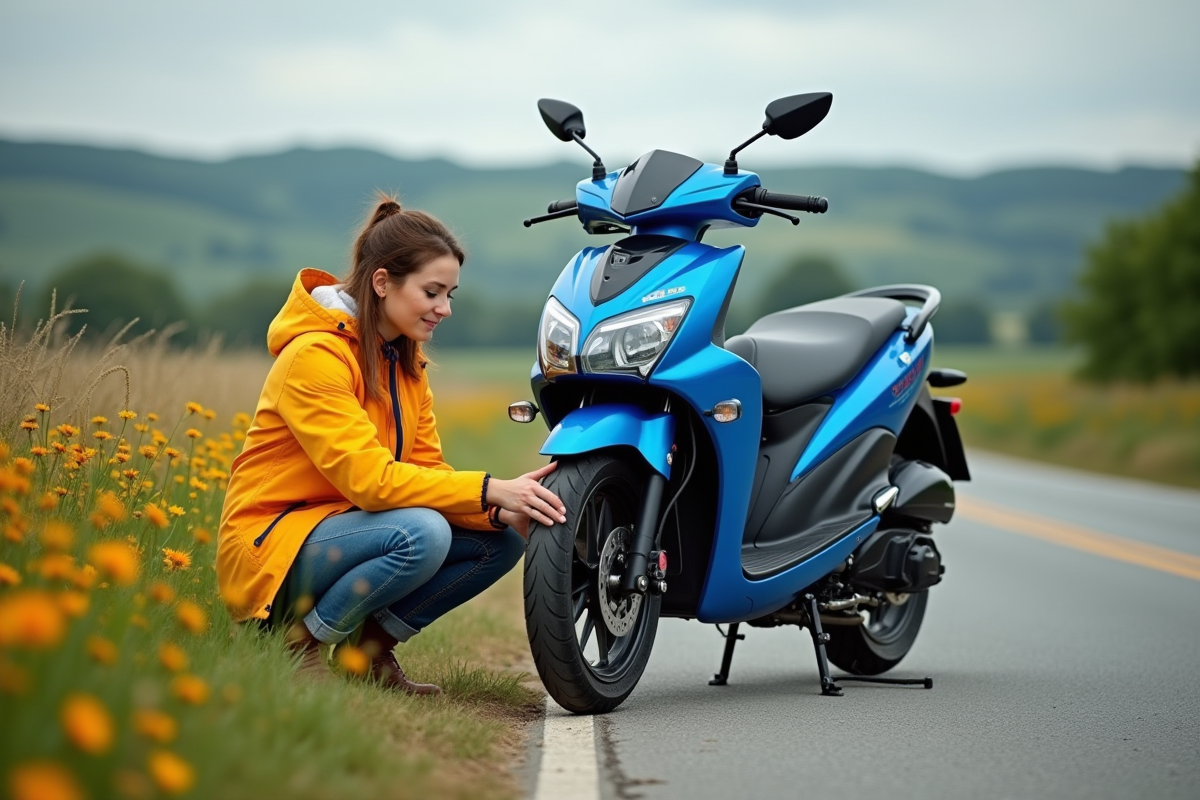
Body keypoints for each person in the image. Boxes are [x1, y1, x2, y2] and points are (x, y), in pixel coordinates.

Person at [216, 196, 566, 694]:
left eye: (451, 294)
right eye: (432, 292)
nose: (444, 308)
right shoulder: (315, 358)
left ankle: (368, 655)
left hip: (347, 529)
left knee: (500, 541)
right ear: (383, 283)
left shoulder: (405, 364)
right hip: (272, 547)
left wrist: (499, 512)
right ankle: (296, 645)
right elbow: (371, 482)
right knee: (421, 533)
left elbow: (427, 471)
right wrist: (491, 490)